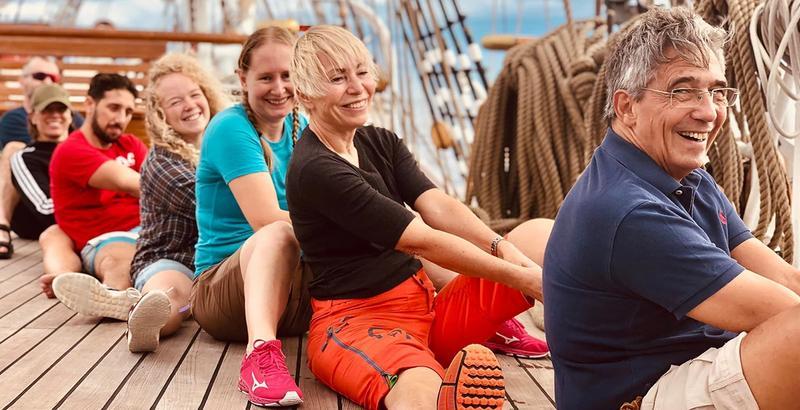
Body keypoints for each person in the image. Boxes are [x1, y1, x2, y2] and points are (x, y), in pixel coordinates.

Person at [544, 7, 800, 410]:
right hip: (639, 397)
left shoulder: (690, 179)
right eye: (683, 91)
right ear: (627, 107)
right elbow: (783, 311)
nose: (709, 111)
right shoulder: (627, 211)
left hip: (685, 369)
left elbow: (783, 278)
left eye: (717, 92)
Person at [286, 25, 550, 410]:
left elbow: (437, 205)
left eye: (362, 72)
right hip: (359, 325)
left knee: (540, 235)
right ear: (306, 93)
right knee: (420, 383)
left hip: (428, 310)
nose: (357, 87)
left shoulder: (380, 141)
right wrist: (525, 278)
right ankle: (443, 390)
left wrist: (503, 248)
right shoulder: (316, 168)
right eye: (337, 79)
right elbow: (419, 239)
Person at [189, 26, 310, 407]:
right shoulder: (230, 128)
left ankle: (471, 315)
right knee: (277, 233)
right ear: (243, 78)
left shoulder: (301, 128)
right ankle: (259, 357)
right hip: (223, 294)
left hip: (290, 289)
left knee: (394, 226)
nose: (279, 88)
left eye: (288, 75)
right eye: (266, 77)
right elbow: (264, 220)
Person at [47, 73, 146, 319]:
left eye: (128, 111)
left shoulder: (131, 144)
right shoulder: (71, 150)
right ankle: (111, 298)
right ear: (90, 104)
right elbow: (134, 182)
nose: (120, 119)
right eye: (113, 108)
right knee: (120, 260)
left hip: (147, 229)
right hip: (106, 241)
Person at [0, 56, 84, 258]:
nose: (46, 81)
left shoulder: (78, 124)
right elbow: (34, 153)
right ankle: (1, 223)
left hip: (69, 215)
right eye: (40, 76)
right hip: (31, 206)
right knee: (14, 150)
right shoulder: (14, 118)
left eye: (52, 77)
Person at [4, 84, 72, 242]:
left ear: (70, 115)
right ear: (33, 117)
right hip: (39, 227)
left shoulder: (82, 150)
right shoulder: (27, 157)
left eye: (61, 110)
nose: (55, 115)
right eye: (47, 110)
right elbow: (46, 211)